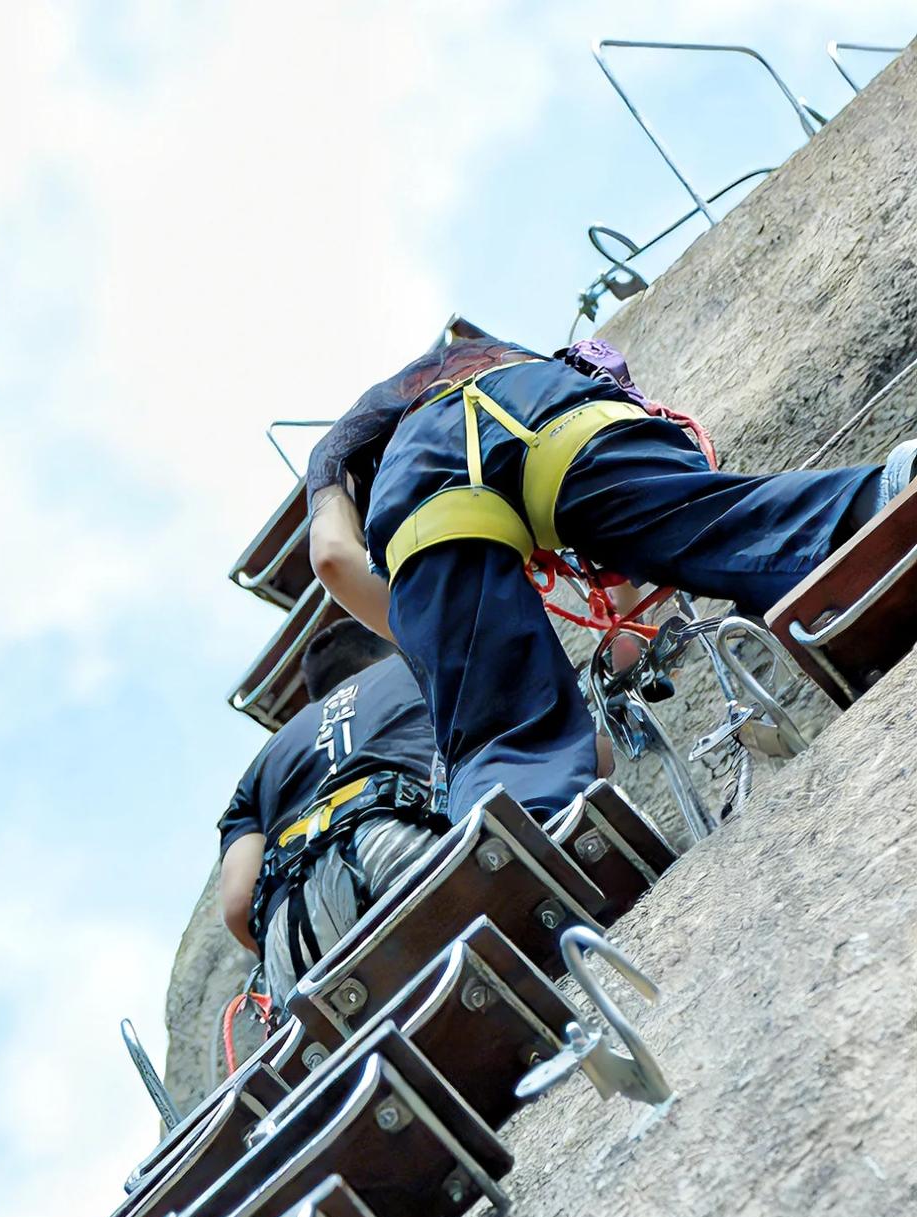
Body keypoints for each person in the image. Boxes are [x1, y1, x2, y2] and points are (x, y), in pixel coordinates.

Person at [305, 325, 917, 824]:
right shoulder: (490, 351)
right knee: (719, 524)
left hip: (423, 481)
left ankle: (526, 820)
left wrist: (444, 649)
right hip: (547, 402)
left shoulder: (340, 445)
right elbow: (607, 526)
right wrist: (629, 631)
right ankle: (878, 500)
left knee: (501, 728)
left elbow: (333, 557)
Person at [218, 619, 444, 1006]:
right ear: (383, 649)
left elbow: (238, 902)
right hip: (396, 843)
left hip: (292, 921)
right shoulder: (412, 667)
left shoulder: (264, 761)